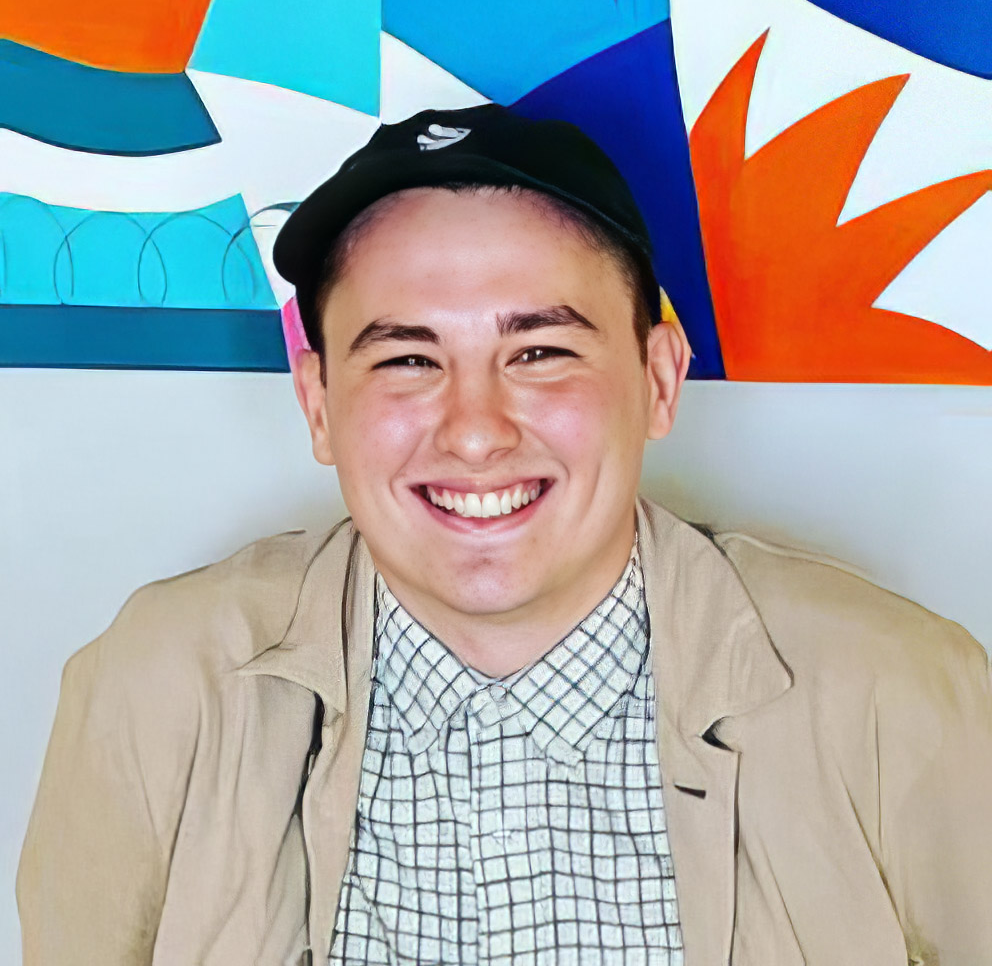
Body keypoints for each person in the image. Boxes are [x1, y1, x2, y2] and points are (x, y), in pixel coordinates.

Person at [18, 104, 992, 966]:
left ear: (658, 379)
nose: (475, 431)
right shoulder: (160, 684)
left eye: (539, 351)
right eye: (407, 359)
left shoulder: (894, 691)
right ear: (318, 404)